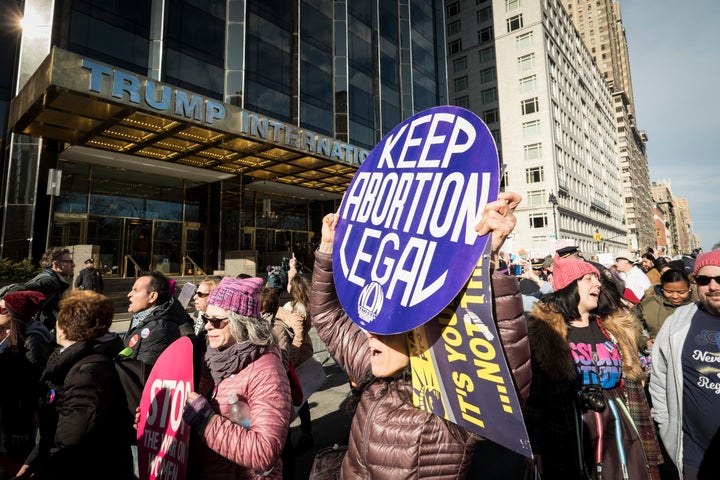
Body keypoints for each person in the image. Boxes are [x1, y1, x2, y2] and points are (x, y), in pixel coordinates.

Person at [309, 191, 531, 478]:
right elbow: (327, 316)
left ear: (415, 332)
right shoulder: (373, 368)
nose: (369, 334)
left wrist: (487, 259)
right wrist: (328, 247)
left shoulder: (451, 402)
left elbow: (507, 379)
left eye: (386, 328)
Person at [524, 254, 660, 479]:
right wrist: (534, 449)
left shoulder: (615, 330)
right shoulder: (547, 335)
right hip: (570, 430)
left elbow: (635, 388)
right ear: (569, 287)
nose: (597, 283)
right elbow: (536, 398)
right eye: (587, 279)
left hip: (620, 431)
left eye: (596, 279)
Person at [15, 290, 133, 479]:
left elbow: (72, 441)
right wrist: (33, 460)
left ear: (67, 324)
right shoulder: (75, 359)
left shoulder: (87, 372)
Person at [182, 276, 291, 479]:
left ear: (241, 323)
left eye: (216, 321)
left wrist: (206, 421)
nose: (207, 326)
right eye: (206, 319)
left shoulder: (266, 369)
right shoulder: (211, 357)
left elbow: (265, 452)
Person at [650, 250, 720, 479]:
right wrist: (665, 422)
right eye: (704, 280)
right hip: (693, 454)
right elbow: (659, 376)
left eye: (719, 279)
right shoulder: (679, 321)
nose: (712, 286)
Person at [0, 291, 53, 475]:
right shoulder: (11, 336)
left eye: (1, 309)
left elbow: (30, 387)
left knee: (18, 463)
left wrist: (21, 427)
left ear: (13, 314)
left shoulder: (33, 339)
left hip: (21, 422)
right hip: (9, 416)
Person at [275, 272, 314, 453]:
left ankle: (305, 435)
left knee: (297, 398)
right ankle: (306, 433)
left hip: (295, 358)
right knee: (301, 397)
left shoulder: (295, 309)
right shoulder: (306, 306)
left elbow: (296, 339)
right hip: (303, 354)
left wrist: (290, 362)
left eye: (291, 284)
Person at [122, 271, 194, 366]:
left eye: (136, 290)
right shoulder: (142, 318)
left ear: (152, 296)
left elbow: (143, 371)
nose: (129, 294)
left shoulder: (159, 328)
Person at [636, 268, 696, 355]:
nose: (675, 296)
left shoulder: (698, 306)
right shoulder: (648, 304)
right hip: (656, 355)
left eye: (681, 292)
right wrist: (644, 342)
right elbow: (631, 327)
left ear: (689, 288)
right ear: (662, 288)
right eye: (669, 291)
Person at [18, 247, 74, 331]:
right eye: (69, 262)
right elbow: (16, 297)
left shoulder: (51, 280)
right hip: (42, 335)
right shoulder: (48, 282)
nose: (73, 265)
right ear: (56, 264)